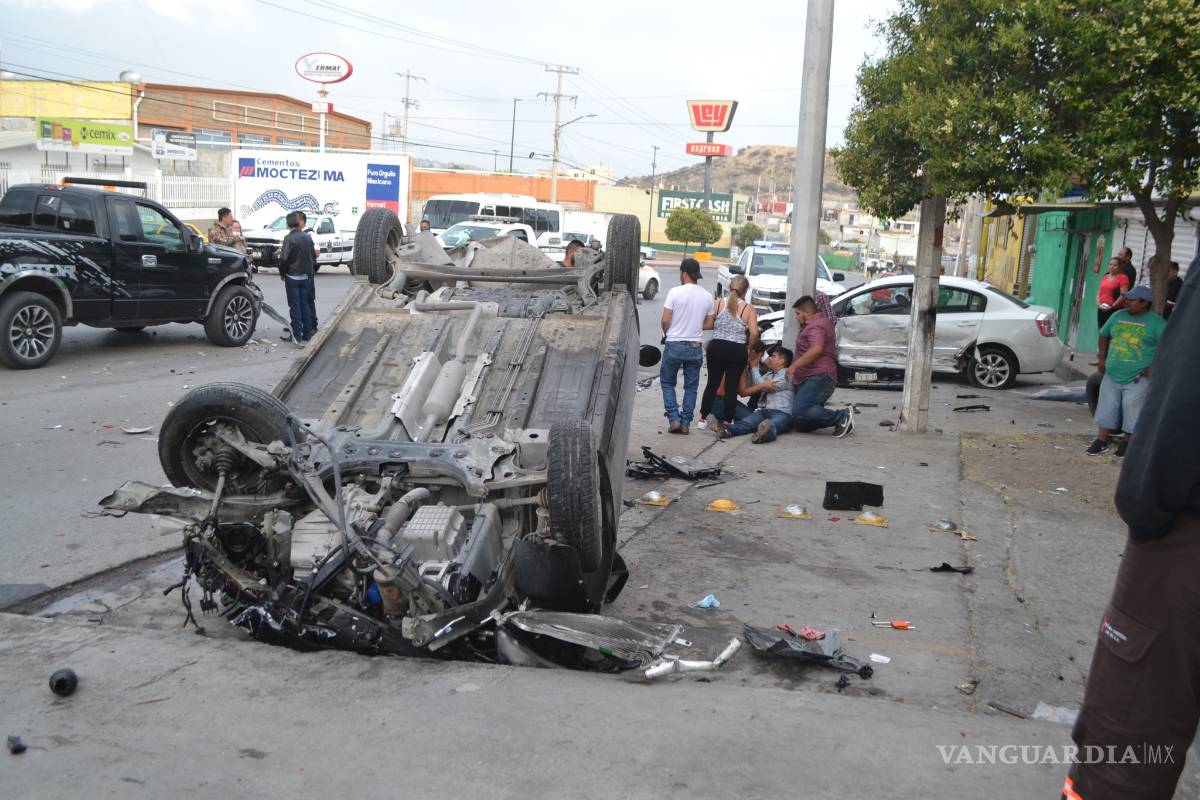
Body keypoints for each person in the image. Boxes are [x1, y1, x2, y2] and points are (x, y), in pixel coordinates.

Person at [1062, 253, 1200, 800]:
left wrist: (1142, 501)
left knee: (1126, 740)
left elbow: (1182, 389)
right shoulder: (1119, 319)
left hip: (1183, 532)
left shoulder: (1161, 324)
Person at [1086, 285, 1165, 457]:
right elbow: (1104, 334)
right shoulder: (1117, 316)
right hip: (1112, 372)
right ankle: (1101, 440)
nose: (1127, 302)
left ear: (1144, 303)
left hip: (1138, 375)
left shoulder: (1157, 323)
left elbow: (1167, 346)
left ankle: (1127, 442)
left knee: (1132, 409)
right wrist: (1102, 358)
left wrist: (1154, 367)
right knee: (1106, 406)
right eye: (1127, 298)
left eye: (1132, 300)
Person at [660, 258, 715, 434]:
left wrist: (668, 333)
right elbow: (710, 324)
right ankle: (685, 424)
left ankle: (674, 419)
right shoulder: (707, 296)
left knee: (667, 382)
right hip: (695, 346)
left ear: (684, 273)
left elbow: (665, 320)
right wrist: (694, 326)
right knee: (691, 387)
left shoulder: (675, 292)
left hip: (674, 344)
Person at [699, 275, 759, 435]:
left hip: (716, 347)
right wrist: (748, 348)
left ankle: (702, 419)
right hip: (737, 350)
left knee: (712, 383)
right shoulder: (748, 309)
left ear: (729, 287)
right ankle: (727, 420)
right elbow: (754, 333)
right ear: (745, 291)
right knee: (731, 386)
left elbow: (709, 323)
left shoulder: (718, 303)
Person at [787, 295, 854, 437]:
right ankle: (836, 418)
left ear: (806, 312)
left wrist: (794, 366)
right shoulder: (819, 323)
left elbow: (816, 348)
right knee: (801, 423)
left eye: (798, 313)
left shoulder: (815, 326)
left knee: (800, 411)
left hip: (819, 376)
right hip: (810, 377)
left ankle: (841, 417)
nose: (796, 317)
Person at [722, 345, 795, 443]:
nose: (769, 358)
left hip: (782, 413)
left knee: (772, 425)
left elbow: (762, 386)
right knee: (746, 423)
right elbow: (756, 385)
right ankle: (725, 430)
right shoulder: (769, 375)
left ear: (782, 361)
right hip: (763, 411)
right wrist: (748, 367)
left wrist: (754, 367)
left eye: (773, 356)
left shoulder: (787, 375)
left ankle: (762, 434)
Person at [278, 212, 317, 343]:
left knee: (295, 307)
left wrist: (282, 273)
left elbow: (284, 259)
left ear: (288, 224)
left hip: (292, 276)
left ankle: (296, 335)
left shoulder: (289, 238)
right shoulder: (307, 237)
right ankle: (307, 334)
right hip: (305, 276)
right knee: (304, 305)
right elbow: (312, 256)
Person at [295, 211, 320, 338]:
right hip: (297, 272)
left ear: (302, 221)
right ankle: (299, 324)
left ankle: (313, 325)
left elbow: (317, 252)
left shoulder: (310, 234)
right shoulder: (295, 234)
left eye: (295, 220)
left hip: (307, 272)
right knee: (298, 300)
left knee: (308, 299)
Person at [1097, 256, 1131, 329]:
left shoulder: (1123, 277)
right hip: (1101, 308)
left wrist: (1112, 306)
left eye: (1115, 265)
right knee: (1101, 329)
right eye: (1110, 264)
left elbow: (1123, 295)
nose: (1111, 267)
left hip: (1114, 310)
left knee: (1112, 330)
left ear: (1119, 267)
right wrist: (1098, 303)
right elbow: (1099, 291)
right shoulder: (1105, 276)